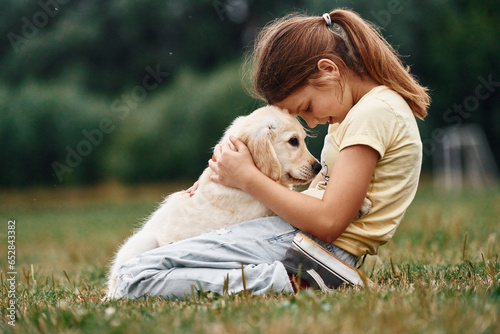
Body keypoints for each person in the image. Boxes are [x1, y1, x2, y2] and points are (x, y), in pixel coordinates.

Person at [114, 9, 430, 299]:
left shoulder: (373, 113)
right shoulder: (357, 111)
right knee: (152, 262)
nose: (310, 120)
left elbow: (330, 220)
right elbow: (324, 201)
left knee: (133, 274)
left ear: (328, 70)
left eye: (306, 106)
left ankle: (293, 279)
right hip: (300, 240)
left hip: (314, 249)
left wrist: (248, 179)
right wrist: (221, 182)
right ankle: (296, 276)